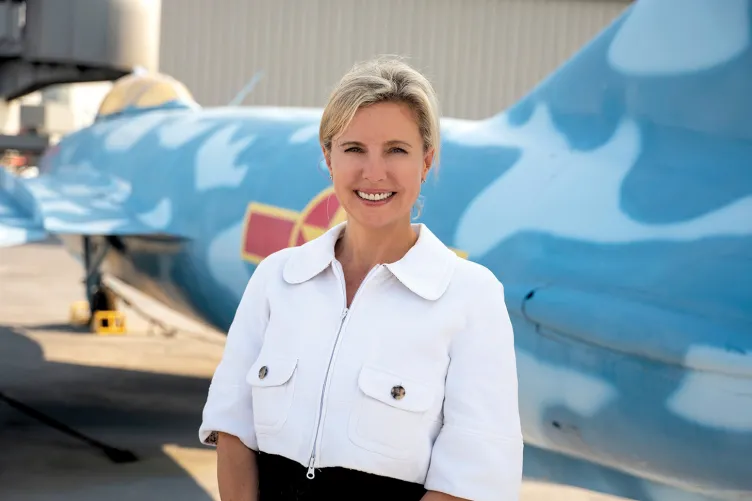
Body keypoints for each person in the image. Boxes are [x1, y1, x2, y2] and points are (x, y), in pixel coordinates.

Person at [199, 56, 523, 501]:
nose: (374, 173)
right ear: (328, 157)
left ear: (426, 162)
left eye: (396, 150)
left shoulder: (470, 297)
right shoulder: (276, 279)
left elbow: (474, 474)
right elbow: (233, 428)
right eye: (354, 149)